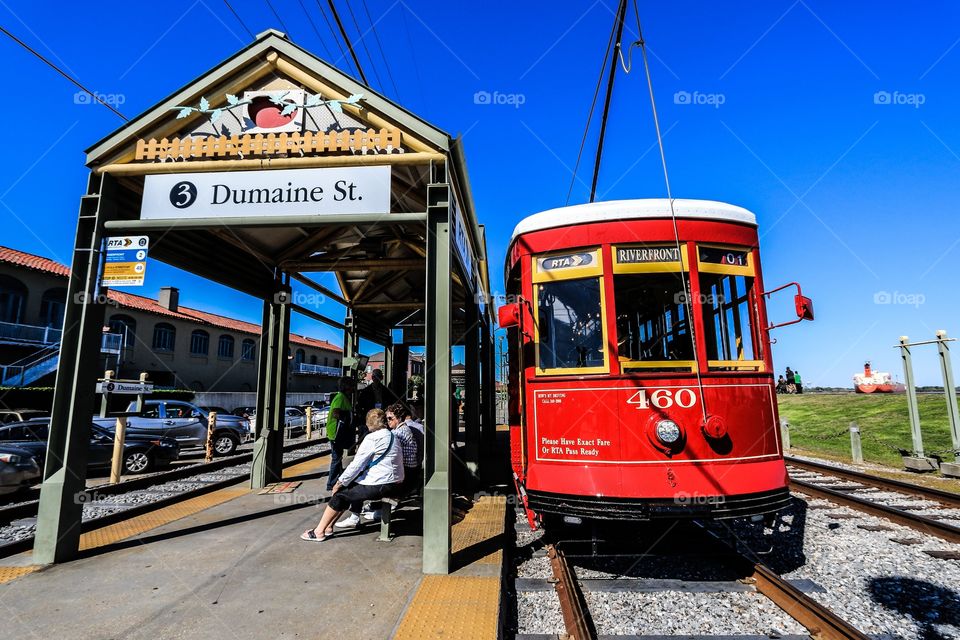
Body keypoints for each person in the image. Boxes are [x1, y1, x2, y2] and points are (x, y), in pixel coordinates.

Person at [301, 409, 404, 541]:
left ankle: (319, 531)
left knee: (340, 494)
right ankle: (328, 527)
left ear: (369, 423)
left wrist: (339, 483)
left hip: (381, 485)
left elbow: (356, 465)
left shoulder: (372, 438)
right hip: (396, 484)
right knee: (348, 490)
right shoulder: (392, 435)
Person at [326, 376, 355, 492]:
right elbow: (336, 413)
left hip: (337, 433)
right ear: (346, 387)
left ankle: (337, 480)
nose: (353, 388)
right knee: (336, 458)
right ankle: (331, 483)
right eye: (351, 386)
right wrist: (348, 417)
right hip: (336, 433)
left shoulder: (343, 397)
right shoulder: (340, 397)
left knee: (338, 457)